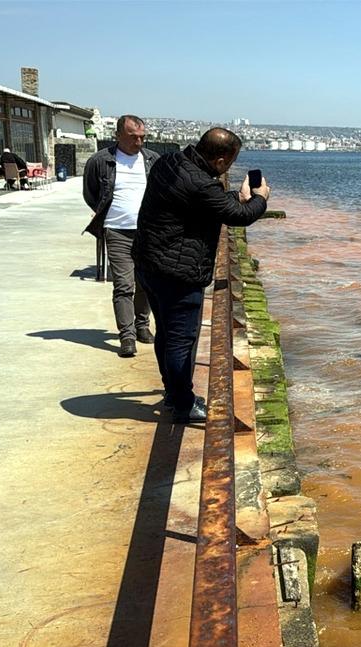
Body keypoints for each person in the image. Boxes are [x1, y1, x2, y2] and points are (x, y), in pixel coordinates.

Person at [134, 128, 270, 423]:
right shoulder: (201, 185)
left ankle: (173, 392)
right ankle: (182, 403)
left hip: (148, 264)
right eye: (230, 162)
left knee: (167, 334)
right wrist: (259, 198)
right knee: (181, 340)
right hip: (177, 274)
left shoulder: (169, 161)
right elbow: (239, 216)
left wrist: (236, 196)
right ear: (221, 161)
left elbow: (201, 201)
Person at [83, 115, 160, 357]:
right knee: (123, 285)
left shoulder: (152, 160)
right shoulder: (100, 161)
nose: (138, 141)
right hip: (117, 231)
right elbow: (91, 194)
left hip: (148, 232)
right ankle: (126, 336)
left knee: (145, 283)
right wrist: (108, 215)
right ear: (118, 135)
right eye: (133, 137)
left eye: (142, 137)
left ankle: (141, 326)